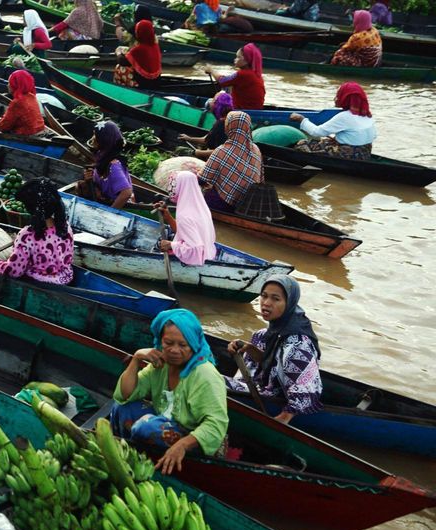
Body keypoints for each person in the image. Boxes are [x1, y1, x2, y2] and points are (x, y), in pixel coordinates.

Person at [111, 309, 229, 474]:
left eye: (183, 345)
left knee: (146, 428)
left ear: (193, 345)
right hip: (168, 423)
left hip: (197, 439)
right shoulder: (160, 364)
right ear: (160, 341)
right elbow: (125, 394)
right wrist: (136, 359)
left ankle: (154, 463)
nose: (174, 350)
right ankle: (130, 456)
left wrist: (181, 445)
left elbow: (216, 425)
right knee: (121, 407)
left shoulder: (204, 374)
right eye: (168, 343)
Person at [225, 275, 323, 424]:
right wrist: (249, 349)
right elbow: (274, 361)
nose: (266, 303)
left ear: (289, 303)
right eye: (264, 296)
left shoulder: (297, 343)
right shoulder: (272, 332)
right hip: (262, 386)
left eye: (275, 299)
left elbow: (306, 388)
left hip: (277, 398)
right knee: (258, 336)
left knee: (208, 381)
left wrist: (284, 417)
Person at [0, 177, 74, 285]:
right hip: (66, 278)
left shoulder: (27, 235)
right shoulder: (66, 226)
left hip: (40, 284)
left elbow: (13, 272)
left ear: (30, 209)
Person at [290, 82, 376, 160]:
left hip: (349, 155)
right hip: (365, 153)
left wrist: (301, 119)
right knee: (325, 141)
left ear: (345, 98)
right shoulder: (366, 114)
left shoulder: (344, 116)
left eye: (339, 95)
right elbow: (368, 135)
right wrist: (341, 139)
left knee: (302, 143)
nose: (336, 98)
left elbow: (317, 132)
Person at [199, 111, 263, 212]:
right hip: (247, 204)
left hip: (224, 204)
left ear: (228, 127)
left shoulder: (222, 150)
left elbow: (202, 179)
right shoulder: (256, 150)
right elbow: (260, 179)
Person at [154, 171, 217, 266]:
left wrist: (170, 245)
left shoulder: (184, 215)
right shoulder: (202, 208)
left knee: (159, 245)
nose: (171, 188)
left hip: (197, 259)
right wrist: (168, 216)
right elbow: (185, 233)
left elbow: (195, 249)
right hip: (209, 255)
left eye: (174, 185)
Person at [81, 120, 134, 209]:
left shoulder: (114, 165)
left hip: (115, 207)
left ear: (104, 139)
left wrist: (110, 212)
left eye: (95, 135)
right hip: (103, 201)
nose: (93, 138)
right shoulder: (103, 159)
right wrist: (88, 178)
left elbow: (126, 193)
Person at [0, 69, 46, 137]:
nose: (8, 85)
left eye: (9, 83)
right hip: (39, 131)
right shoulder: (31, 96)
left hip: (27, 135)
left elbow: (4, 126)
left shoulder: (18, 102)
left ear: (15, 84)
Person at [207, 43, 265, 110]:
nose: (235, 59)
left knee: (208, 103)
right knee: (227, 89)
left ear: (246, 61)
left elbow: (222, 81)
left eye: (238, 57)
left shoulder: (243, 74)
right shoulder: (256, 74)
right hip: (255, 109)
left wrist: (211, 70)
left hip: (241, 110)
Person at [179, 91, 234, 160]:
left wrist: (198, 153)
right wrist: (189, 139)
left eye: (213, 100)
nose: (210, 102)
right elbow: (206, 140)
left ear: (218, 105)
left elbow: (222, 152)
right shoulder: (226, 119)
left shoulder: (222, 124)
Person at [113, 19, 161, 88]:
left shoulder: (139, 49)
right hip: (156, 81)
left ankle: (121, 88)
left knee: (119, 67)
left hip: (142, 83)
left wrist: (118, 52)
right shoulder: (155, 45)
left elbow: (122, 61)